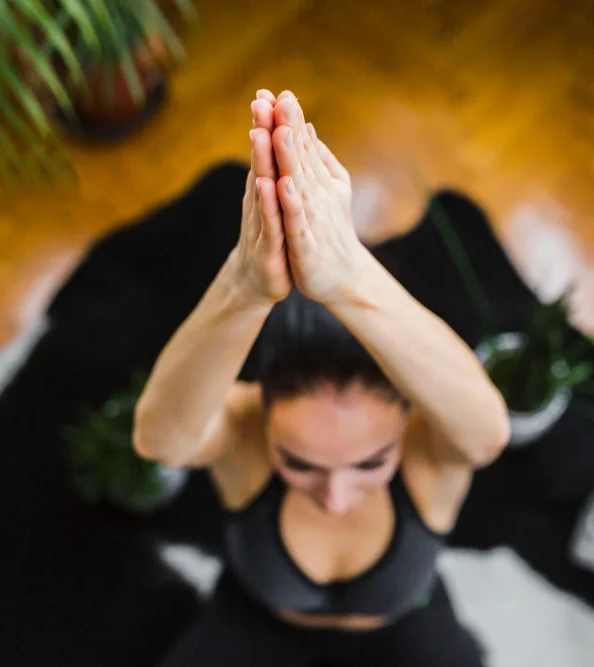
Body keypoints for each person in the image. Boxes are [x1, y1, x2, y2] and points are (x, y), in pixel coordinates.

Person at [134, 89, 511, 666]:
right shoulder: (241, 426)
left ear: (408, 414)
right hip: (257, 617)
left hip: (402, 625)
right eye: (300, 463)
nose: (336, 499)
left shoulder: (429, 446)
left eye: (369, 463)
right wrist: (244, 285)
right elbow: (160, 440)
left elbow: (487, 434)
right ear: (263, 414)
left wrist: (349, 275)